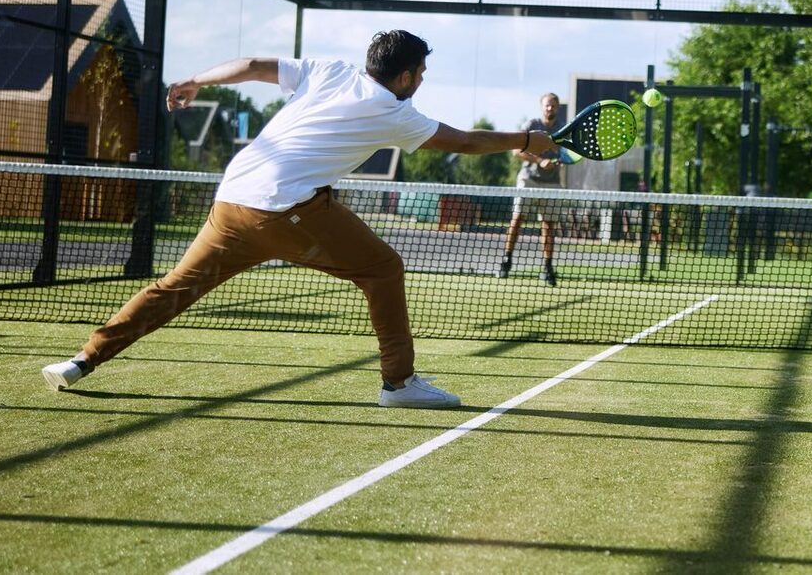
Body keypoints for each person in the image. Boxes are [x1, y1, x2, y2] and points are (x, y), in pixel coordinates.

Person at [40, 30, 554, 408]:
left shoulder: (330, 70)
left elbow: (249, 64)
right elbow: (464, 141)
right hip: (286, 209)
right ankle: (399, 385)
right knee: (383, 269)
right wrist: (527, 141)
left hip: (233, 200)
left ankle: (83, 360)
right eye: (420, 73)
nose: (421, 80)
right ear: (403, 76)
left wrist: (195, 79)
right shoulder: (394, 111)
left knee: (173, 287)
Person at [497, 92, 564, 286]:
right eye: (546, 105)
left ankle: (548, 268)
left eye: (553, 105)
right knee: (517, 219)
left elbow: (568, 154)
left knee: (548, 225)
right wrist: (539, 160)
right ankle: (506, 261)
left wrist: (559, 160)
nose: (549, 108)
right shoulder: (532, 126)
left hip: (552, 183)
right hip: (528, 180)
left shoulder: (562, 129)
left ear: (557, 108)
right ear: (542, 107)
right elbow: (516, 151)